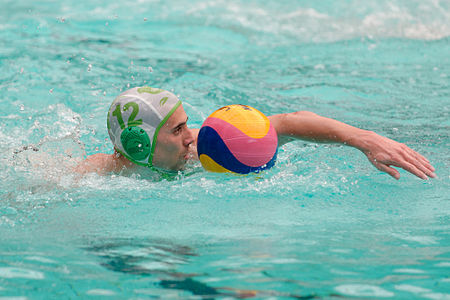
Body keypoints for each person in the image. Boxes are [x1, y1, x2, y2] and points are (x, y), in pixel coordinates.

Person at [75, 87, 436, 180]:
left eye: (187, 123)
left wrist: (365, 140)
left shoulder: (206, 143)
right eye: (178, 129)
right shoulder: (102, 174)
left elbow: (286, 121)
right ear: (140, 146)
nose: (191, 136)